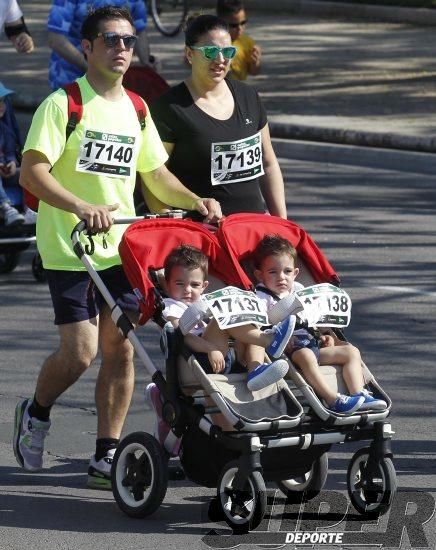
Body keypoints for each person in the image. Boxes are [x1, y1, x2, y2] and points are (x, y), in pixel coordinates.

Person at [13, 6, 222, 490]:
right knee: (81, 353)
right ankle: (36, 411)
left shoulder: (137, 107)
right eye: (110, 39)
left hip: (119, 249)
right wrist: (83, 205)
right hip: (71, 247)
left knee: (121, 350)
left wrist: (195, 201)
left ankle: (106, 454)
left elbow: (154, 175)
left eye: (128, 40)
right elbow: (32, 173)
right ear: (87, 47)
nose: (122, 48)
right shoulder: (63, 104)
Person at [146, 243, 295, 448]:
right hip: (196, 357)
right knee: (223, 318)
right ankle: (268, 340)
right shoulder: (172, 306)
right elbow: (181, 336)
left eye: (195, 285)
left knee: (245, 318)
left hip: (226, 355)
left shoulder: (206, 300)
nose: (188, 290)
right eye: (179, 284)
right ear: (167, 285)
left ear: (205, 286)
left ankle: (255, 369)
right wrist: (210, 348)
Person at [149, 14, 286, 221]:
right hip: (201, 232)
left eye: (228, 51)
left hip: (253, 228)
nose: (220, 60)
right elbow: (154, 176)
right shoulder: (169, 108)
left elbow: (268, 164)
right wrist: (168, 224)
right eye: (211, 51)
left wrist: (282, 222)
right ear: (189, 54)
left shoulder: (248, 96)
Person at [250, 234, 388, 414]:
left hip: (310, 344)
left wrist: (322, 336)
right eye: (273, 272)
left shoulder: (298, 291)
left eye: (287, 271)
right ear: (259, 275)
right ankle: (332, 399)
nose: (281, 277)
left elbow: (309, 319)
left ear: (296, 273)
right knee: (306, 355)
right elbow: (259, 327)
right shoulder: (261, 297)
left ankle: (359, 393)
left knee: (351, 352)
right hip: (283, 350)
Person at [47, 0, 157, 91]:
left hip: (112, 81)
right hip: (70, 78)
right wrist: (93, 68)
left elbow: (139, 30)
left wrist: (147, 62)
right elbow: (55, 39)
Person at [0, 82, 36, 226]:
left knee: (30, 172)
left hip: (6, 171)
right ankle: (6, 208)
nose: (2, 105)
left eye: (3, 101)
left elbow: (9, 151)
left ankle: (30, 209)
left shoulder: (4, 129)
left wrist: (12, 163)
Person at [216, 0, 261, 81]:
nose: (240, 28)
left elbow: (253, 72)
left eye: (243, 23)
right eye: (234, 25)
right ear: (220, 22)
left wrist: (255, 62)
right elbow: (190, 63)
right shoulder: (211, 41)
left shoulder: (247, 42)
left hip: (238, 90)